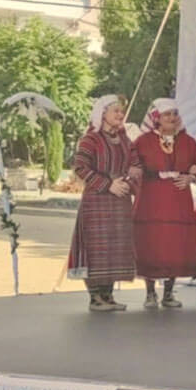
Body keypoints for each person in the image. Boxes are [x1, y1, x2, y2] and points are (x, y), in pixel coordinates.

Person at [68, 95, 141, 312]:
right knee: (96, 247)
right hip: (97, 201)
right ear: (103, 114)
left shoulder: (125, 140)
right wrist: (108, 184)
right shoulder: (91, 139)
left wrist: (127, 182)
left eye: (121, 111)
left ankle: (108, 295)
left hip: (120, 201)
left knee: (115, 247)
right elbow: (80, 167)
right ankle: (95, 297)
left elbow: (136, 165)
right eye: (115, 111)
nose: (120, 115)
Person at [133, 98, 196, 309]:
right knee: (151, 242)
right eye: (167, 114)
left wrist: (191, 176)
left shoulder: (188, 142)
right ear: (156, 118)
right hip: (152, 198)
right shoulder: (143, 141)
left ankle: (169, 293)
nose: (172, 118)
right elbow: (133, 165)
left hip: (178, 198)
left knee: (174, 243)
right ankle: (150, 293)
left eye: (174, 114)